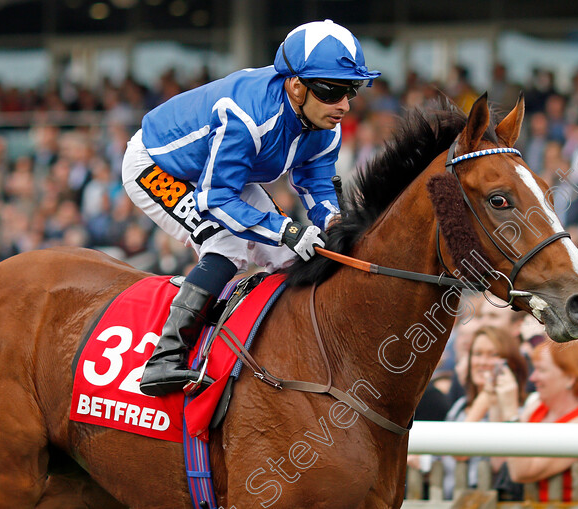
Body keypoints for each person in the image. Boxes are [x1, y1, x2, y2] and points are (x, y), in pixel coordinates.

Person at [121, 20, 380, 396]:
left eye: (351, 90)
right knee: (227, 246)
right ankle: (165, 358)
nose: (343, 104)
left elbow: (316, 184)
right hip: (158, 164)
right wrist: (286, 229)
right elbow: (216, 199)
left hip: (222, 174)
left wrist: (335, 223)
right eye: (332, 90)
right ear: (295, 85)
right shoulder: (245, 115)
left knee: (292, 258)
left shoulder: (327, 123)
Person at [493, 341, 578, 502]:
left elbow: (521, 472)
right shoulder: (536, 409)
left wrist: (511, 413)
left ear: (570, 378)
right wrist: (494, 400)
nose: (533, 378)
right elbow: (499, 462)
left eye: (541, 370)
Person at [441, 326, 528, 499]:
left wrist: (490, 398)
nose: (482, 362)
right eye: (478, 354)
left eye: (493, 355)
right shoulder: (459, 406)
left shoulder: (523, 410)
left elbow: (460, 452)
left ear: (511, 363)